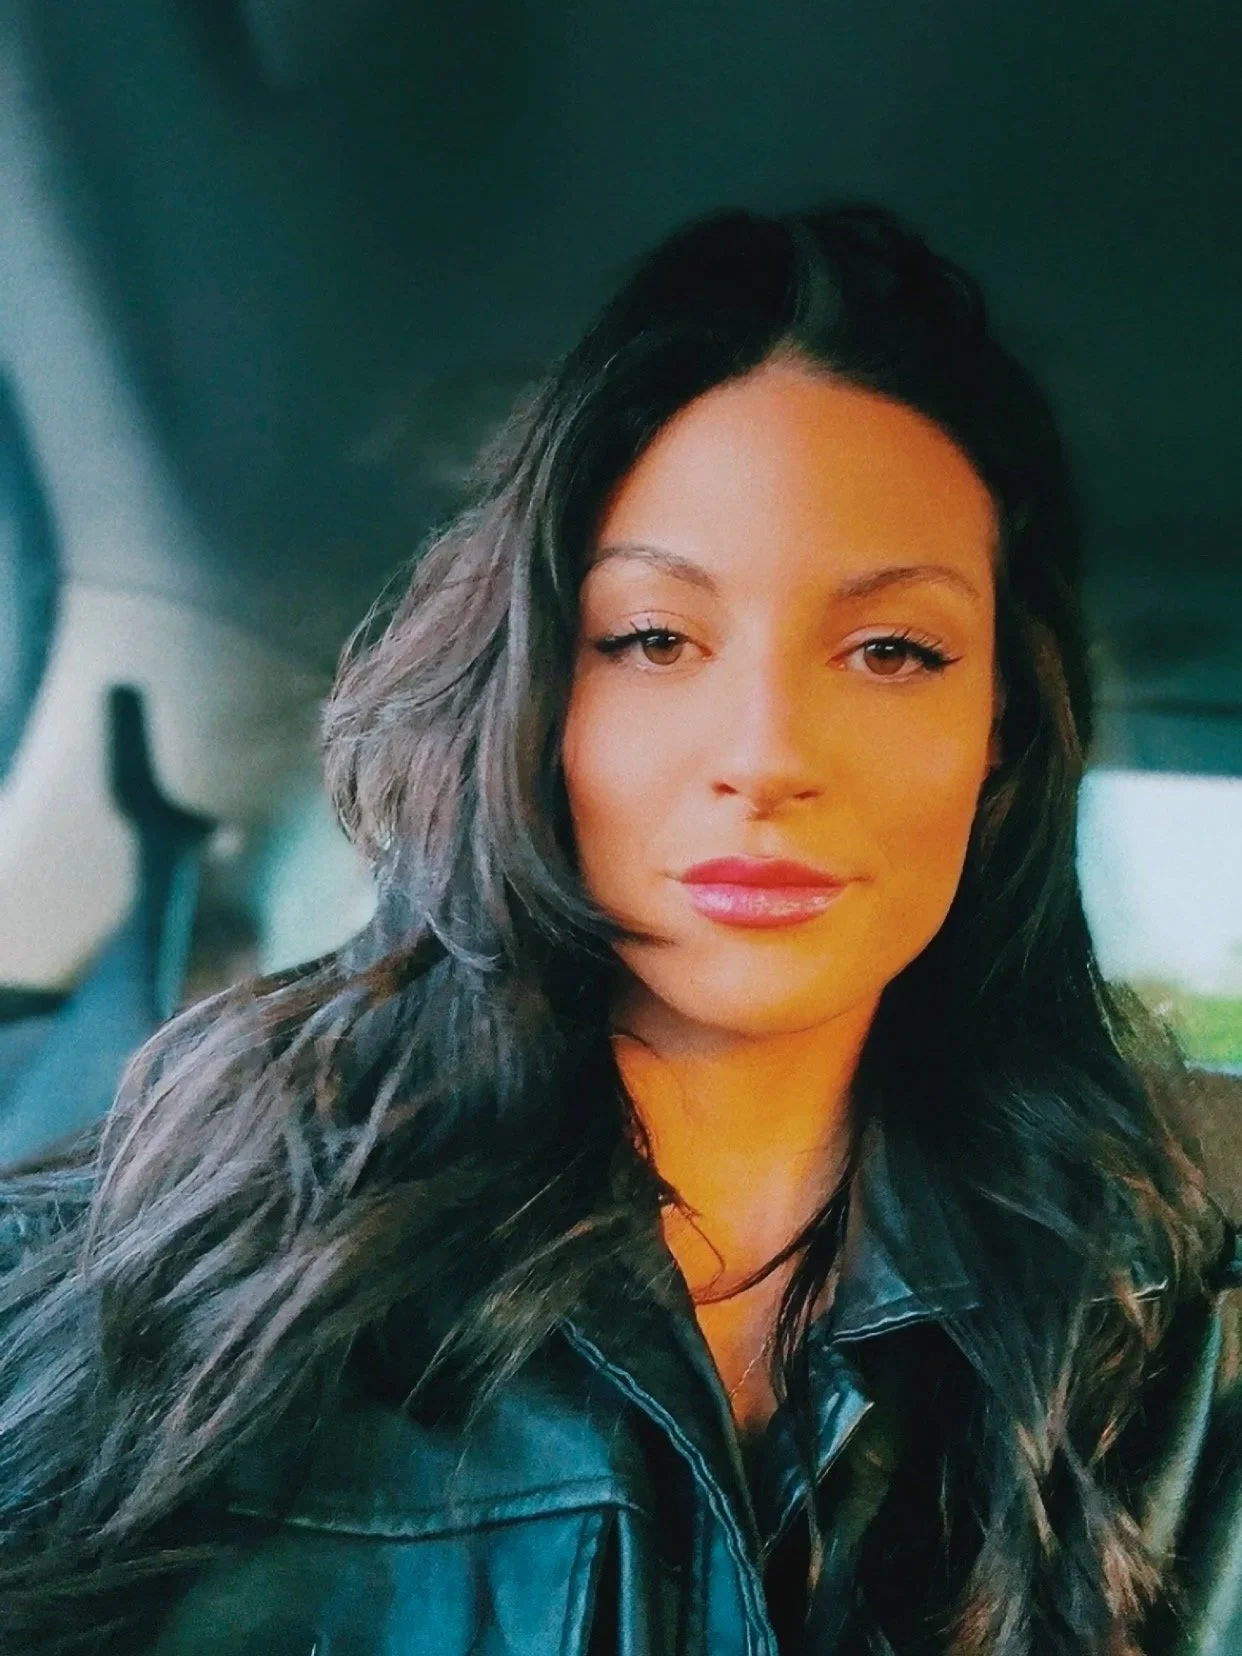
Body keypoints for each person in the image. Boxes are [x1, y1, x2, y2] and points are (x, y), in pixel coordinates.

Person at [0, 203, 1239, 1656]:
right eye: (653, 639)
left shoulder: (1161, 1359)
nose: (767, 752)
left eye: (889, 650)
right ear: (528, 699)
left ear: (1001, 736)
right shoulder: (145, 1271)